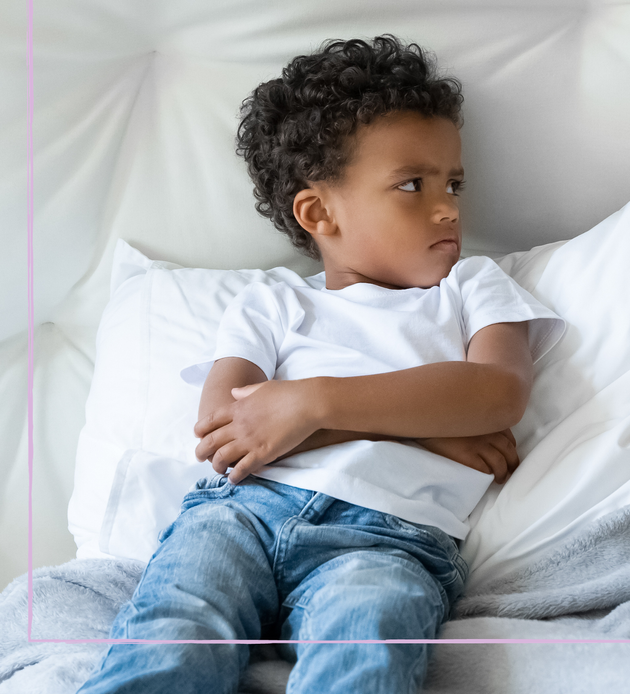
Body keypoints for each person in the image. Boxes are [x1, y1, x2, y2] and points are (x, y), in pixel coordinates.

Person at [79, 35, 564, 694]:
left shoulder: (471, 287)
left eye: (453, 182)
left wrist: (311, 404)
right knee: (173, 637)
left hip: (387, 543)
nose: (448, 205)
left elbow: (497, 392)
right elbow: (227, 425)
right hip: (242, 513)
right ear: (318, 212)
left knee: (368, 644)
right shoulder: (271, 302)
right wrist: (433, 429)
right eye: (412, 184)